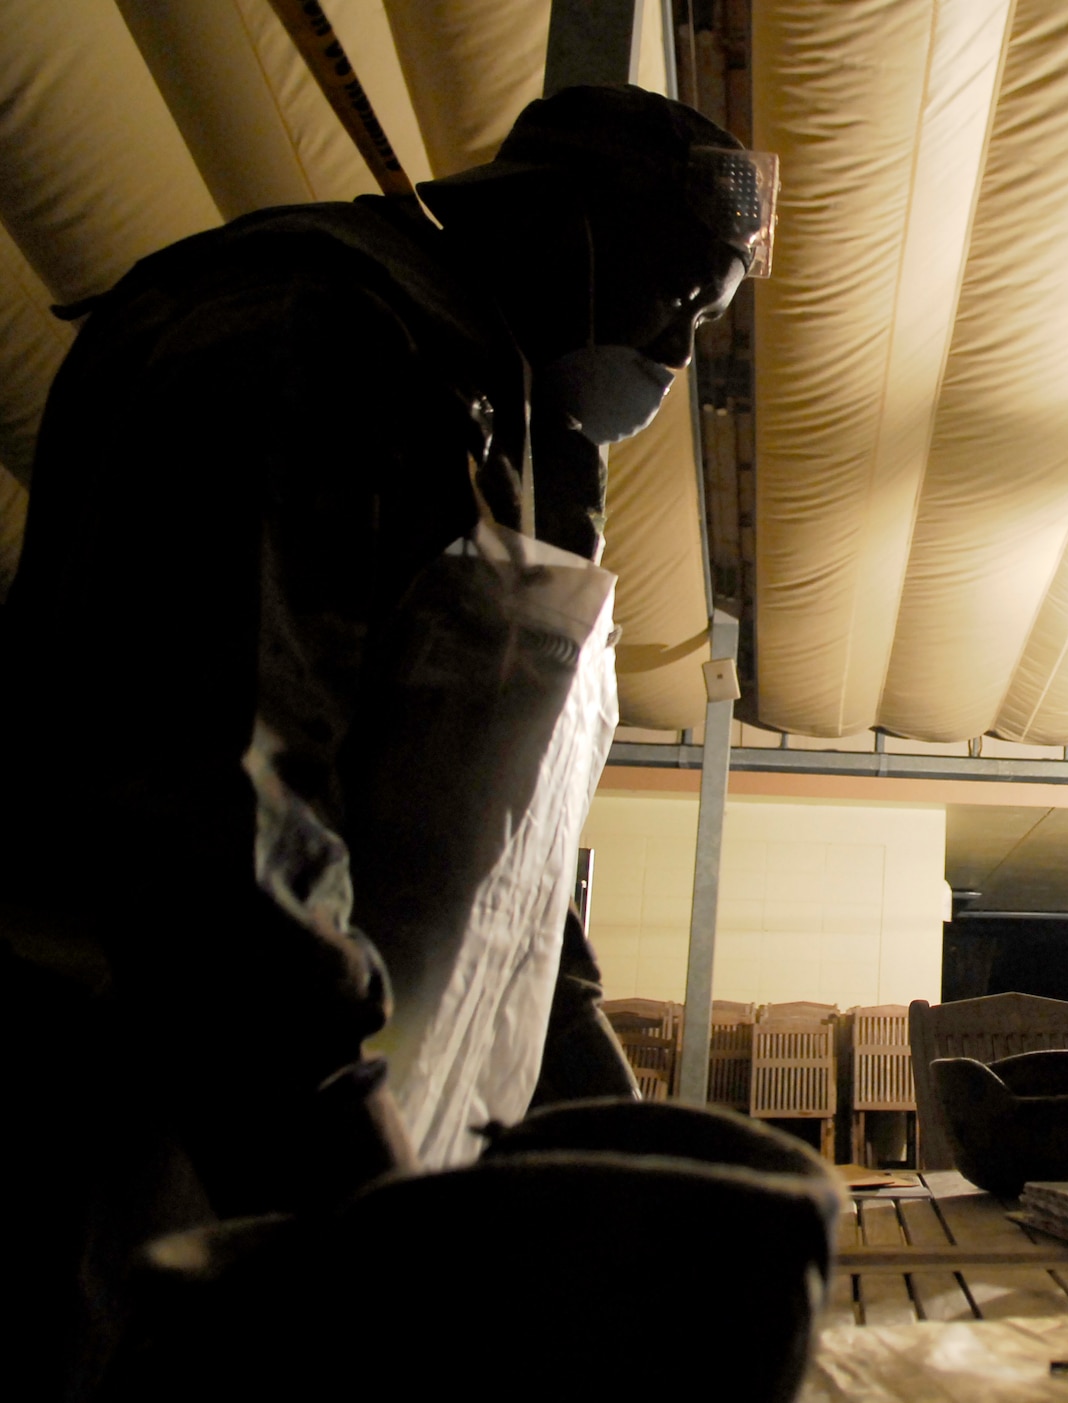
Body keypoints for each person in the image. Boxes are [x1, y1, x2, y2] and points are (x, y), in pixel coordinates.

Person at [0, 84, 775, 1394]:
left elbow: (499, 835)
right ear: (579, 223)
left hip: (307, 1096)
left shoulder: (489, 404)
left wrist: (597, 1105)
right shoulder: (300, 332)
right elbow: (218, 806)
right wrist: (366, 1197)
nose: (680, 354)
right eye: (680, 300)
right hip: (146, 1094)